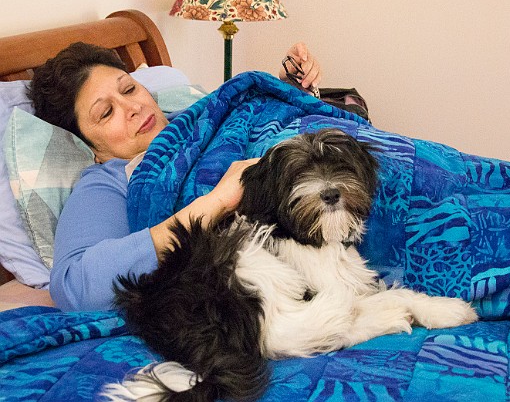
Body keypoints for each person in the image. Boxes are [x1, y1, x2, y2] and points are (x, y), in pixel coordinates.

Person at [30, 41, 323, 311]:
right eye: (106, 112)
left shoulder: (200, 115)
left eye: (129, 89)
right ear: (90, 145)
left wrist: (287, 90)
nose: (132, 107)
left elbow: (255, 121)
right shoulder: (105, 182)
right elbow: (74, 287)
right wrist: (218, 201)